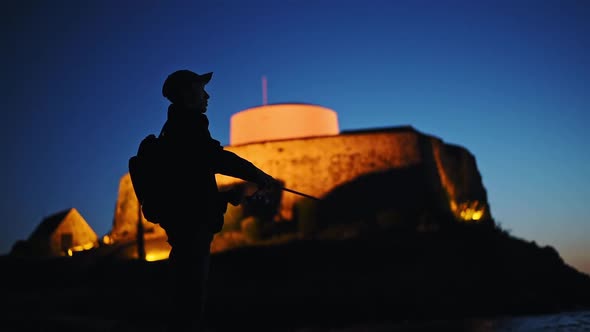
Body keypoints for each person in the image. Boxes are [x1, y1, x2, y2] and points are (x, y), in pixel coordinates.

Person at [156, 69, 279, 331]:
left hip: (185, 224)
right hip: (192, 228)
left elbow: (188, 186)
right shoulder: (188, 125)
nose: (208, 96)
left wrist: (223, 197)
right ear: (188, 94)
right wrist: (257, 174)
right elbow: (216, 159)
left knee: (184, 295)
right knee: (189, 301)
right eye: (202, 89)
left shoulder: (174, 128)